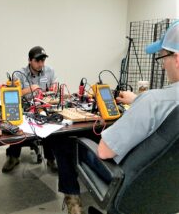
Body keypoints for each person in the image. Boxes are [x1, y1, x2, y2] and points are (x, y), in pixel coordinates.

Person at [51, 20, 179, 214]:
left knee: (64, 142)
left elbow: (104, 152)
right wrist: (139, 101)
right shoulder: (154, 102)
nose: (162, 66)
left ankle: (73, 200)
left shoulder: (153, 101)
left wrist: (144, 102)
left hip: (130, 185)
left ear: (177, 59)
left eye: (162, 57)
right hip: (167, 190)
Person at [2, 46, 58, 173]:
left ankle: (50, 159)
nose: (40, 64)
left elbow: (54, 89)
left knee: (49, 126)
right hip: (24, 108)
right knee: (17, 126)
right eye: (37, 61)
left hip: (43, 107)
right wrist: (30, 89)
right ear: (29, 60)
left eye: (43, 61)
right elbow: (13, 94)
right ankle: (13, 157)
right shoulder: (18, 74)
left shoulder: (50, 71)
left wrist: (53, 91)